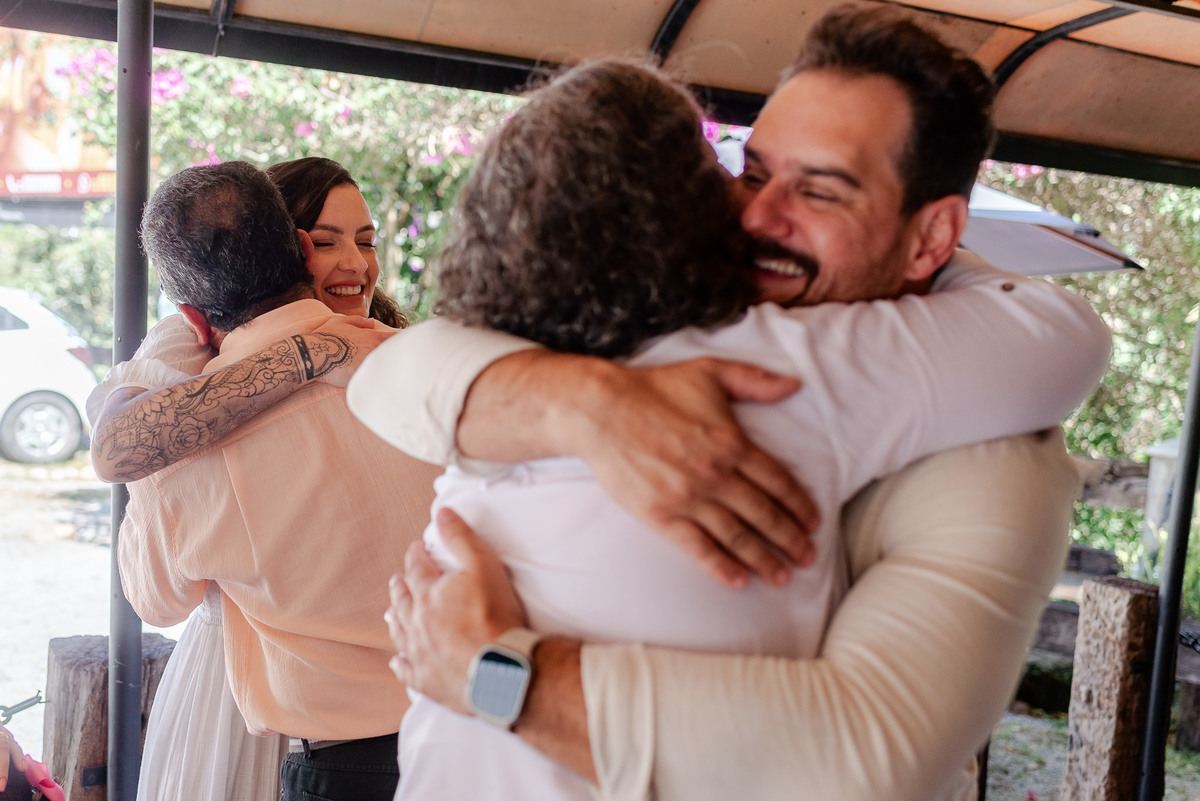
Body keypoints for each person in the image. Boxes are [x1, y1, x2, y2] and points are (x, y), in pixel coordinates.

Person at [355, 6, 1110, 799]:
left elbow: (859, 761)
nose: (753, 216)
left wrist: (489, 672)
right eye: (751, 172)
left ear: (930, 238)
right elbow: (391, 374)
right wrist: (585, 402)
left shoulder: (993, 455)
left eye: (819, 192)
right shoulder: (644, 346)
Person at [116, 160, 441, 801]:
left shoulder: (183, 443)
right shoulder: (424, 371)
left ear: (191, 315)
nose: (354, 262)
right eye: (326, 241)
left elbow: (156, 601)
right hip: (453, 730)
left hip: (340, 753)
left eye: (366, 240)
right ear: (296, 248)